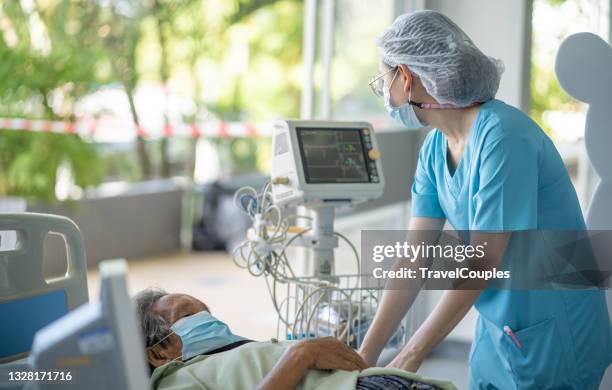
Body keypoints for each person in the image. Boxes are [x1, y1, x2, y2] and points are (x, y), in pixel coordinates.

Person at [358, 10, 611, 390]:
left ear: (406, 77)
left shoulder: (504, 137)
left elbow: (483, 260)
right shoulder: (434, 150)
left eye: (384, 81)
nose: (385, 95)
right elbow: (413, 258)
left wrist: (410, 354)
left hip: (555, 330)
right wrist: (365, 357)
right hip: (498, 331)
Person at [134, 288, 455, 390]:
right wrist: (301, 355)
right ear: (158, 354)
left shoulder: (241, 354)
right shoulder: (175, 379)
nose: (208, 321)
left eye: (207, 313)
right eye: (188, 315)